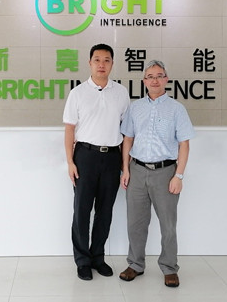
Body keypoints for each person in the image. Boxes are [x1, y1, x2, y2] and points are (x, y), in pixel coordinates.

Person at [119, 59, 195, 288]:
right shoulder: (135, 108)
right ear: (144, 81)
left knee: (168, 225)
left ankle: (169, 268)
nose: (154, 80)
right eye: (150, 76)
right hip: (137, 171)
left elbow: (184, 144)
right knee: (135, 223)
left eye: (159, 76)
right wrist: (126, 169)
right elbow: (128, 139)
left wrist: (178, 176)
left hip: (166, 172)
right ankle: (135, 264)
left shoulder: (177, 109)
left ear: (166, 80)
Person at [63, 43, 130, 281]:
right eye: (97, 60)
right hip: (85, 156)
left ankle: (97, 257)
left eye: (107, 60)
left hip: (112, 157)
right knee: (82, 210)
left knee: (105, 211)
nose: (102, 64)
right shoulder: (78, 93)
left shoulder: (121, 93)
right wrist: (70, 162)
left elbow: (127, 133)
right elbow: (69, 130)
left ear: (112, 63)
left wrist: (125, 166)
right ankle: (82, 260)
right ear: (90, 63)